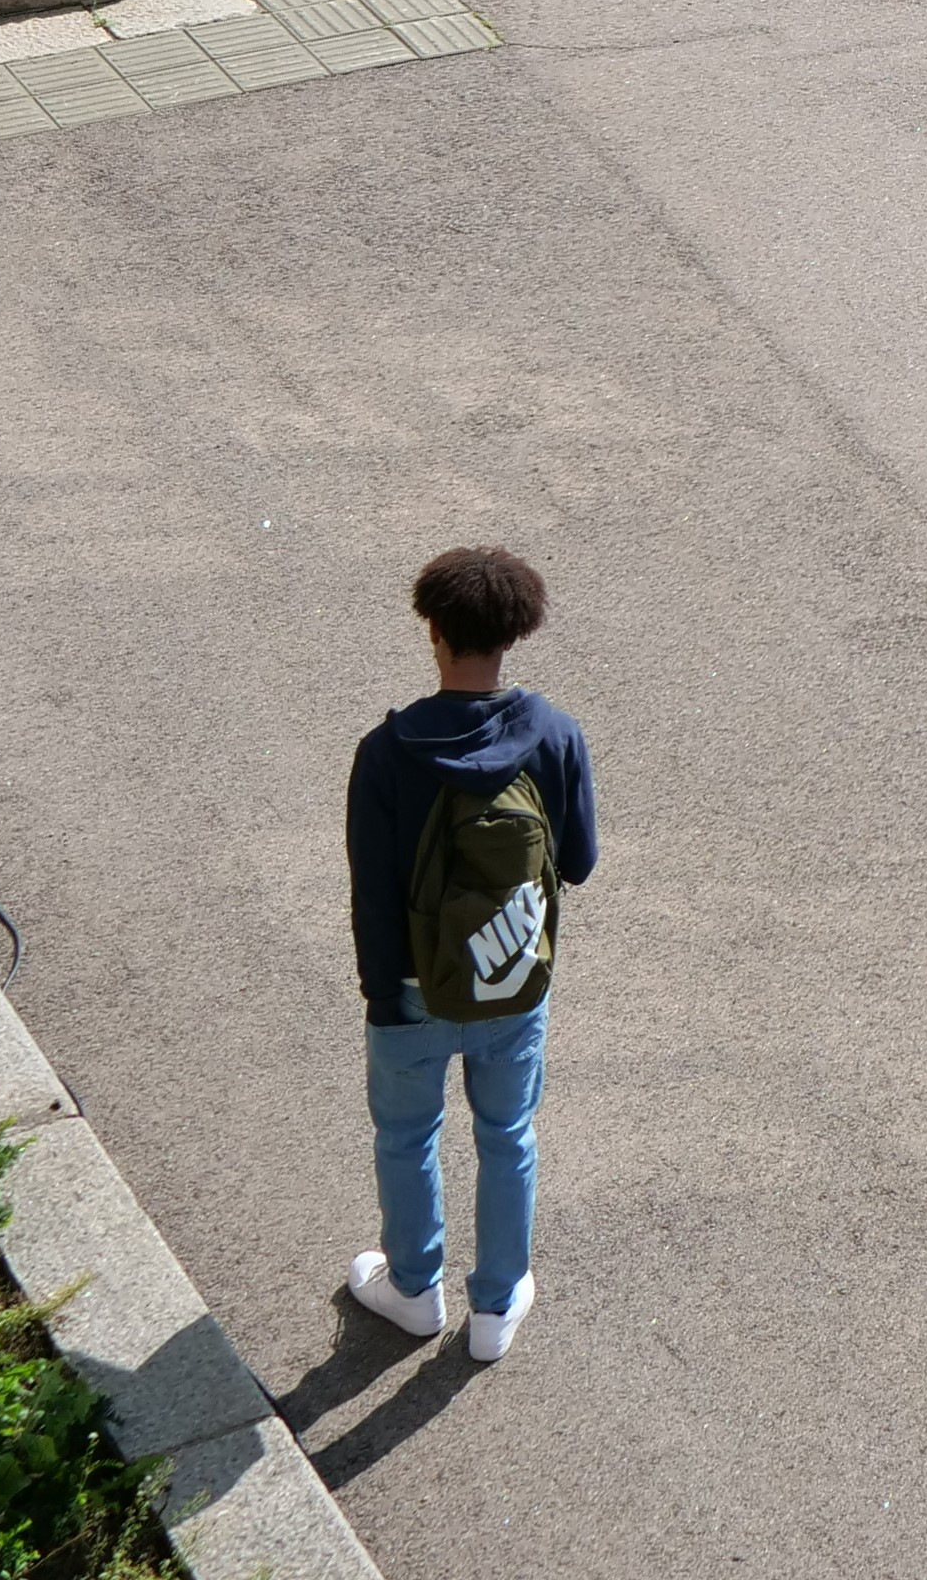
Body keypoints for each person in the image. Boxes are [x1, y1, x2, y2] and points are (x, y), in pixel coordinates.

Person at [341, 545, 600, 1367]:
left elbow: (373, 894)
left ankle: (414, 1291)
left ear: (434, 632)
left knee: (406, 1136)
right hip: (513, 979)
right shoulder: (553, 734)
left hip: (413, 989)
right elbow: (580, 862)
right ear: (514, 636)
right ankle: (496, 1305)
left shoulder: (386, 754)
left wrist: (384, 997)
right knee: (507, 1133)